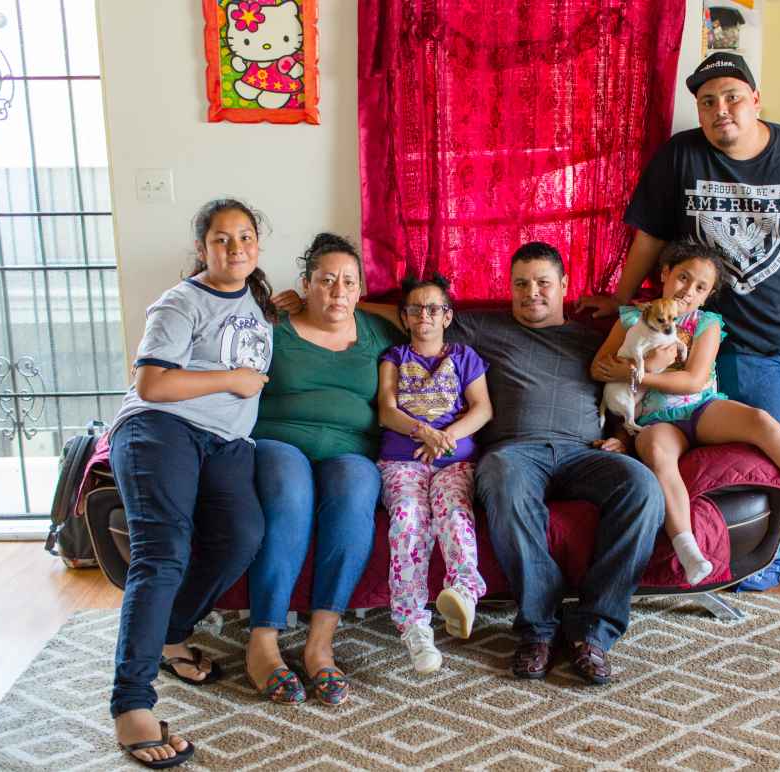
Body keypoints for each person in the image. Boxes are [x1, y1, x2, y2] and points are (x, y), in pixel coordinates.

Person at [579, 52, 780, 586]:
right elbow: (650, 238)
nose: (720, 110)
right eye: (707, 102)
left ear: (755, 101)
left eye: (732, 97)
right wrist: (618, 301)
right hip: (741, 341)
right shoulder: (681, 158)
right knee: (776, 444)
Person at [279, 242, 665, 685]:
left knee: (642, 488)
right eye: (520, 284)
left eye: (542, 283)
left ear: (563, 287)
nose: (531, 293)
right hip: (515, 452)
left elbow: (629, 386)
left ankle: (594, 630)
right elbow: (414, 315)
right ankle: (538, 629)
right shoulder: (484, 329)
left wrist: (622, 435)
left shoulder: (594, 337)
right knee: (502, 479)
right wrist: (328, 298)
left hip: (583, 451)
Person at [106, 198, 274, 768]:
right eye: (222, 240)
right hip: (161, 430)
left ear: (258, 245)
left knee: (244, 536)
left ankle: (171, 633)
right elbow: (152, 384)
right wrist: (234, 378)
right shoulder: (179, 302)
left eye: (245, 238)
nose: (235, 249)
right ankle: (131, 704)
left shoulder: (262, 301)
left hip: (227, 445)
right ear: (202, 248)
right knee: (164, 553)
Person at [591, 241, 780, 586]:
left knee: (762, 421)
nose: (687, 291)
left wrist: (641, 373)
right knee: (659, 453)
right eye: (682, 278)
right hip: (654, 419)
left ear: (708, 296)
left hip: (701, 409)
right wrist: (641, 373)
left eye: (700, 287)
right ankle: (688, 548)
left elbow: (693, 380)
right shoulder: (631, 318)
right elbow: (599, 368)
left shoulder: (705, 323)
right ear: (665, 274)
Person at [245, 233, 402, 705]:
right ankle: (264, 643)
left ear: (361, 290)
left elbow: (424, 316)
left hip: (350, 450)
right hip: (278, 441)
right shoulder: (273, 326)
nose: (337, 291)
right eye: (326, 280)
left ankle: (319, 644)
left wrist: (372, 302)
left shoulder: (377, 330)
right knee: (291, 491)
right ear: (305, 284)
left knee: (356, 490)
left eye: (348, 282)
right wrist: (265, 308)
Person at [375, 274, 492, 674]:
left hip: (453, 460)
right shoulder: (394, 357)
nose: (424, 315)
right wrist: (422, 432)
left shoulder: (464, 357)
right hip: (402, 460)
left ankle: (464, 591)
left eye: (434, 308)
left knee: (455, 514)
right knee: (408, 518)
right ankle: (413, 627)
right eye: (415, 309)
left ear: (447, 316)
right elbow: (387, 410)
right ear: (405, 317)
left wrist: (445, 437)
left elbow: (482, 409)